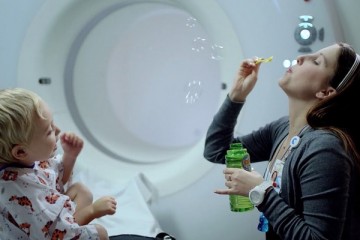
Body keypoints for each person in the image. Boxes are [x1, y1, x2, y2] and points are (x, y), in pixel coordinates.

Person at [203, 42, 360, 239]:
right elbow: (216, 150)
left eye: (317, 61)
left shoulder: (325, 149)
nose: (301, 58)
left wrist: (261, 192)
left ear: (326, 92)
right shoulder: (282, 129)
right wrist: (236, 96)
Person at [0, 88, 117, 239]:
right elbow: (53, 235)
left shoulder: (25, 161)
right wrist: (92, 211)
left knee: (81, 191)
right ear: (21, 152)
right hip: (47, 233)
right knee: (100, 233)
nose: (58, 130)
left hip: (48, 221)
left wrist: (70, 155)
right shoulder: (20, 191)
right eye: (49, 131)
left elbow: (57, 179)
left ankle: (70, 221)